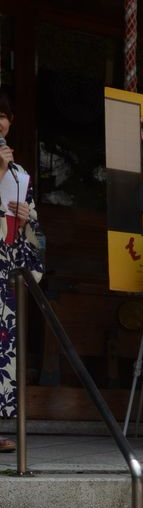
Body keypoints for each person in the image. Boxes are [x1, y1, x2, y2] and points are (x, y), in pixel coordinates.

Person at [0, 90, 44, 453]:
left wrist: (29, 217)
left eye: (3, 115)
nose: (0, 122)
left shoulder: (20, 174)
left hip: (5, 266)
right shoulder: (6, 169)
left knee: (3, 348)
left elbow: (34, 231)